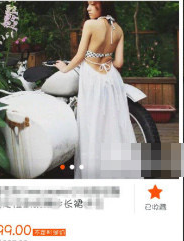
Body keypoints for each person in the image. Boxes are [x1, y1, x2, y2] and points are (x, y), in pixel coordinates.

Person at [55, 3, 135, 178]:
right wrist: (105, 60)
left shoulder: (90, 24)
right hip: (112, 78)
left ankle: (94, 172)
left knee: (92, 123)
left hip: (92, 77)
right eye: (87, 4)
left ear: (103, 4)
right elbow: (119, 63)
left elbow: (80, 55)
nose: (88, 8)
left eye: (93, 4)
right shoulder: (119, 29)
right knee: (113, 123)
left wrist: (65, 68)